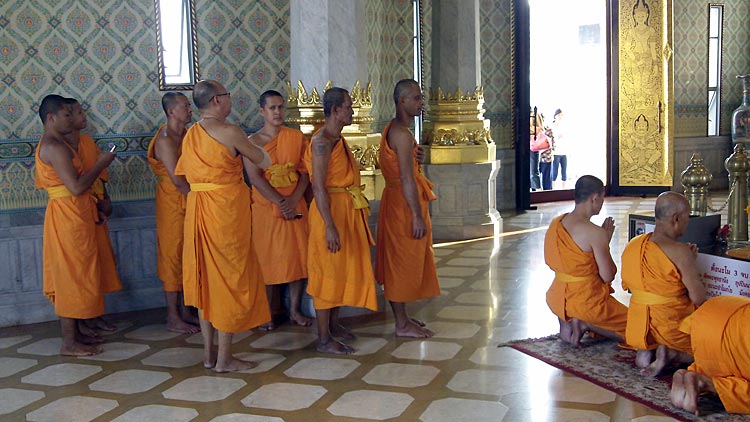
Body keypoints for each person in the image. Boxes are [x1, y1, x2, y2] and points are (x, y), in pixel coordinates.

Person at [174, 80, 272, 372]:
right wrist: (257, 143)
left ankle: (208, 355)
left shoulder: (191, 134)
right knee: (228, 280)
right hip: (224, 213)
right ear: (217, 100)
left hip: (198, 209)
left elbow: (181, 175)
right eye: (228, 96)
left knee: (206, 282)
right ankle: (225, 358)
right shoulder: (230, 131)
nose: (231, 100)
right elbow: (262, 160)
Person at [35, 94, 116, 356]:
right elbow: (76, 186)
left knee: (81, 272)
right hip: (67, 215)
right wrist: (102, 163)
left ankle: (79, 333)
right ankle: (68, 343)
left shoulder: (63, 144)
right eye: (67, 115)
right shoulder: (54, 147)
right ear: (51, 118)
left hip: (77, 214)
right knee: (71, 276)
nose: (71, 119)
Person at [303, 87, 378, 355]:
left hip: (344, 209)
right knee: (326, 273)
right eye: (348, 106)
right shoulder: (321, 142)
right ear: (335, 111)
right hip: (329, 214)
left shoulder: (337, 139)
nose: (352, 111)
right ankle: (323, 339)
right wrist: (330, 226)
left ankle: (333, 326)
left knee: (339, 270)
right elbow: (319, 187)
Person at [375, 79, 440, 338]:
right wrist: (415, 215)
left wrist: (416, 157)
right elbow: (405, 178)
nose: (420, 102)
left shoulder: (398, 131)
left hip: (398, 199)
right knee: (400, 262)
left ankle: (402, 316)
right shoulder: (401, 134)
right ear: (401, 101)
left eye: (421, 97)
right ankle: (401, 323)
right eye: (416, 98)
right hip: (402, 204)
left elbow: (405, 169)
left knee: (405, 259)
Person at [244, 90, 313, 330]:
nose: (277, 112)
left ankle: (294, 310)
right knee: (268, 260)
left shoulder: (296, 138)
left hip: (295, 204)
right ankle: (266, 312)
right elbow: (255, 178)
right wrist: (279, 201)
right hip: (266, 207)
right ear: (262, 111)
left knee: (298, 258)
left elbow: (304, 172)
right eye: (272, 108)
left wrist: (293, 199)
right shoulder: (252, 143)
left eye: (281, 107)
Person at [621, 191, 705, 377]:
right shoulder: (680, 252)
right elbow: (699, 297)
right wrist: (690, 262)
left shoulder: (634, 245)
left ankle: (648, 349)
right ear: (676, 219)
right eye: (686, 217)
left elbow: (627, 285)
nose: (688, 221)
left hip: (640, 327)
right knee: (715, 351)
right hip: (672, 327)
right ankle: (673, 353)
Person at [544, 175, 628, 347]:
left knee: (579, 312)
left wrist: (603, 241)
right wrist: (605, 243)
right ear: (595, 198)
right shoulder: (594, 233)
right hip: (587, 302)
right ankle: (586, 323)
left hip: (557, 297)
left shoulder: (556, 223)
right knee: (640, 330)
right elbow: (608, 276)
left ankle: (569, 323)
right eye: (602, 198)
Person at [63, 97, 122, 337]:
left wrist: (105, 200)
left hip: (94, 207)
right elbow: (77, 183)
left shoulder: (86, 142)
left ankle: (94, 316)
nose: (83, 116)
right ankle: (81, 323)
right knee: (79, 269)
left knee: (97, 266)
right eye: (76, 113)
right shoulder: (60, 147)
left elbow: (99, 176)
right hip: (75, 212)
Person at [147, 92, 200, 334]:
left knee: (189, 255)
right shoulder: (165, 140)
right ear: (171, 112)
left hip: (190, 197)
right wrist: (202, 203)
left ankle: (187, 310)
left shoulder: (188, 134)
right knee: (172, 255)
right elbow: (178, 180)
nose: (190, 109)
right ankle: (172, 315)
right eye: (185, 106)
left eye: (189, 105)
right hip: (173, 201)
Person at [670, 296, 750, 416]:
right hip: (739, 333)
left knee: (724, 360)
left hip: (715, 311)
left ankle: (694, 375)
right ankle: (705, 382)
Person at [550, 109, 568, 188]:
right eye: (559, 115)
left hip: (564, 151)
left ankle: (563, 188)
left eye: (561, 115)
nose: (560, 117)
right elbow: (551, 138)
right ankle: (553, 188)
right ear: (555, 116)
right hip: (556, 152)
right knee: (554, 172)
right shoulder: (552, 126)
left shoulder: (564, 125)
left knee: (564, 172)